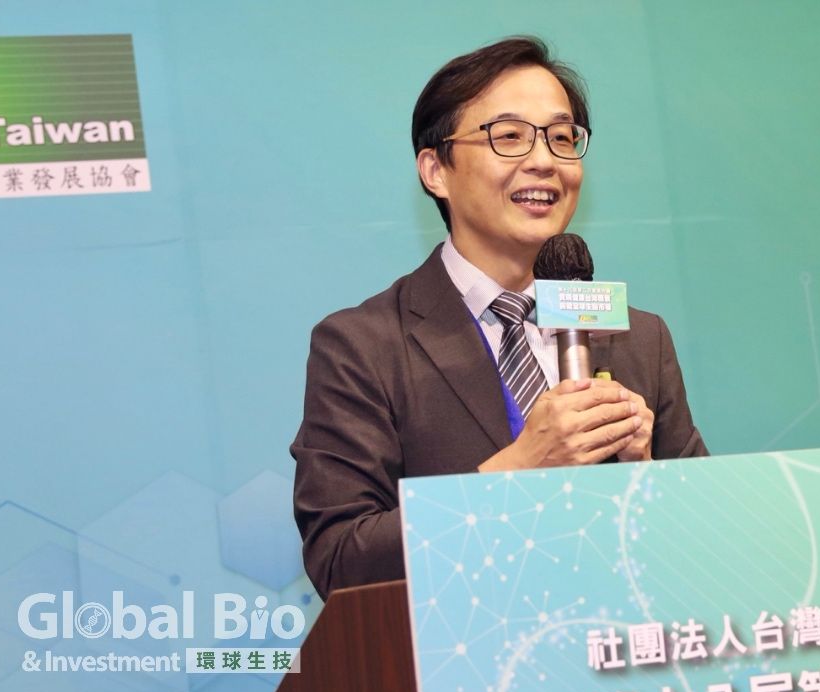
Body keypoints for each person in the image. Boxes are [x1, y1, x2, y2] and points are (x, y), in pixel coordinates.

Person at [291, 36, 706, 599]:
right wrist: (519, 469)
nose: (544, 161)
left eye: (562, 138)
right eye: (509, 136)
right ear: (435, 170)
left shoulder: (639, 338)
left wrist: (645, 473)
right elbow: (341, 559)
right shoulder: (364, 346)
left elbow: (706, 541)